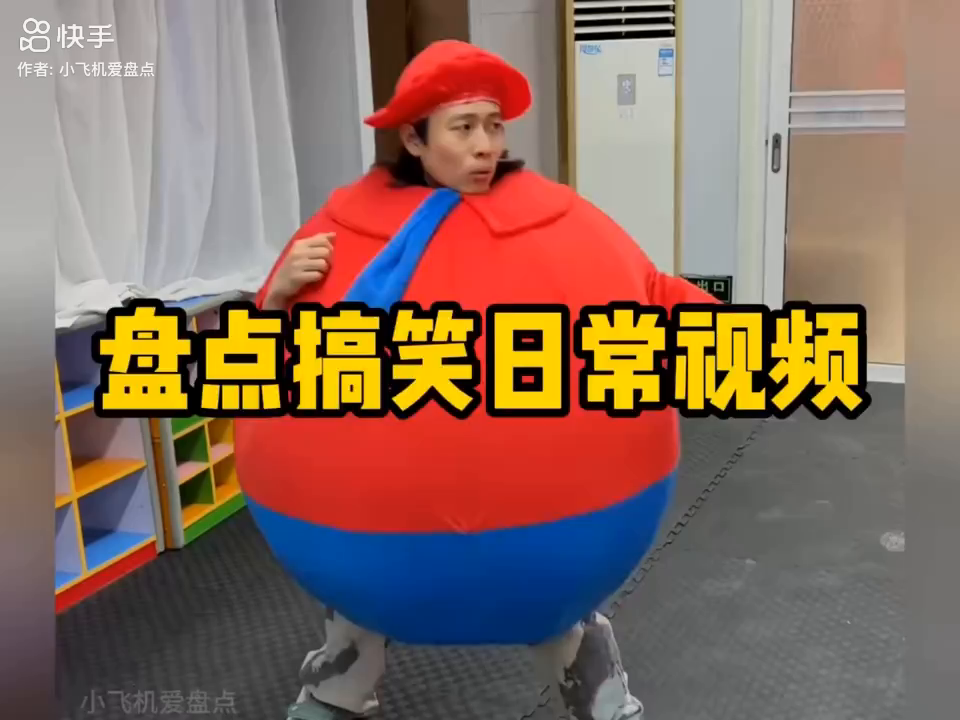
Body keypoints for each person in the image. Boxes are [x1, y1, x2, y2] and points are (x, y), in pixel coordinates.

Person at [235, 39, 719, 720]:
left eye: (494, 125)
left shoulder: (565, 225)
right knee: (358, 609)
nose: (486, 145)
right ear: (414, 139)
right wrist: (279, 294)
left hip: (561, 539)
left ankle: (590, 675)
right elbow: (264, 361)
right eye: (463, 127)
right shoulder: (339, 238)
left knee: (560, 608)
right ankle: (343, 672)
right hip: (363, 543)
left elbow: (651, 295)